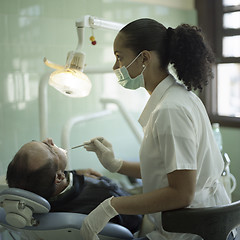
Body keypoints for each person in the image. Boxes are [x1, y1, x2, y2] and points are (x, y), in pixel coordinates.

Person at [78, 18, 235, 240]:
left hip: (193, 232)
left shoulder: (170, 110)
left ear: (144, 58)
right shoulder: (175, 98)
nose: (115, 67)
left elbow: (182, 193)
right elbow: (167, 169)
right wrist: (117, 165)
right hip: (191, 226)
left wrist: (111, 206)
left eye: (119, 57)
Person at [6, 138, 142, 234]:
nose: (49, 140)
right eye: (49, 149)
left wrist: (75, 173)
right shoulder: (104, 192)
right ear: (59, 177)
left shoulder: (37, 203)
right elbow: (137, 219)